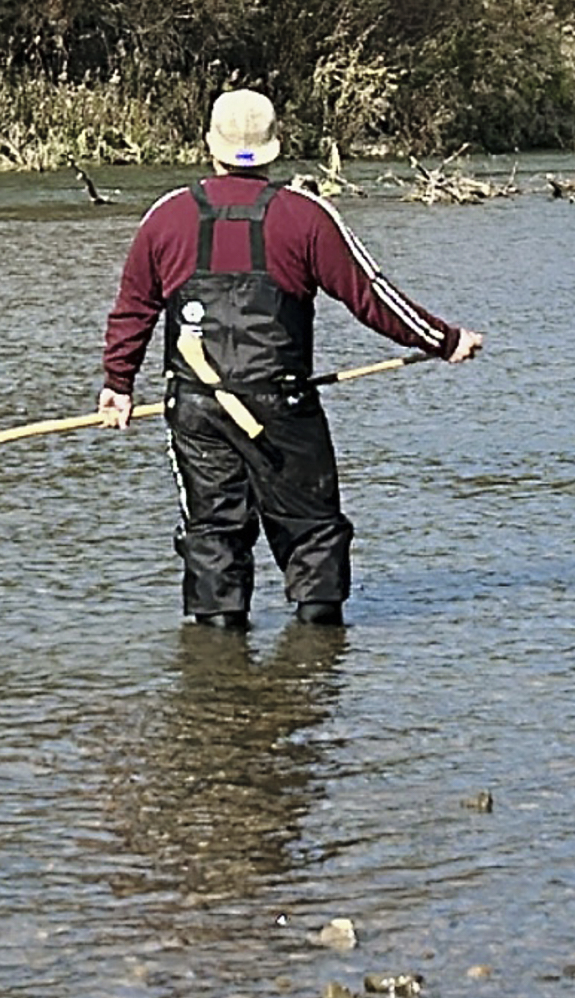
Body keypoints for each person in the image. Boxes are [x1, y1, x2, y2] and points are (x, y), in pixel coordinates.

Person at [99, 88, 482, 628]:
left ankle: (218, 664)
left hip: (197, 409)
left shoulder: (167, 216)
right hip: (282, 406)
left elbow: (132, 309)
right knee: (312, 533)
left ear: (210, 145)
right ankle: (319, 662)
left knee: (214, 536)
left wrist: (118, 384)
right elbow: (372, 296)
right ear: (274, 148)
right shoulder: (306, 215)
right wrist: (443, 339)